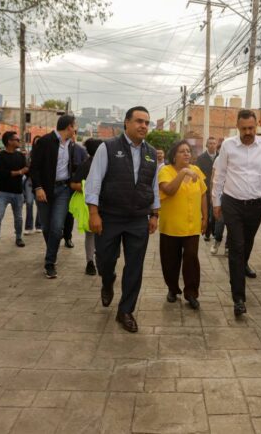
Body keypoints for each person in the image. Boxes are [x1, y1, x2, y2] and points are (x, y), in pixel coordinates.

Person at [86, 106, 159, 333]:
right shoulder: (107, 148)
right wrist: (94, 213)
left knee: (135, 267)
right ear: (126, 123)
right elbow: (94, 181)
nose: (143, 126)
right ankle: (108, 281)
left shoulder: (151, 153)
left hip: (138, 218)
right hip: (110, 216)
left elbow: (153, 185)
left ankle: (125, 310)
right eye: (138, 121)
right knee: (105, 260)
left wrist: (155, 213)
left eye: (146, 123)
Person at [212, 109, 261, 316]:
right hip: (233, 203)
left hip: (256, 205)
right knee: (237, 247)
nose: (248, 132)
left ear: (257, 126)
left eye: (251, 128)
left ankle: (242, 265)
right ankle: (238, 297)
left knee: (247, 243)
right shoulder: (229, 145)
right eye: (244, 128)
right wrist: (216, 201)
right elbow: (219, 175)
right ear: (237, 127)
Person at [158, 140, 207, 310]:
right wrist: (183, 172)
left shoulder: (197, 171)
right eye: (182, 151)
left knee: (192, 259)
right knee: (170, 259)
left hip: (192, 225)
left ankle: (191, 293)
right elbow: (169, 190)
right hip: (170, 225)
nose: (187, 154)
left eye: (188, 151)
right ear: (174, 155)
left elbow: (203, 195)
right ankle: (173, 288)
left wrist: (205, 218)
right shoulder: (166, 171)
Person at [29, 115, 77, 279]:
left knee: (57, 228)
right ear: (69, 127)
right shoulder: (45, 141)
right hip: (45, 190)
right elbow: (34, 167)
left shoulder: (71, 145)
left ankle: (50, 262)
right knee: (47, 228)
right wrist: (38, 187)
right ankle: (51, 250)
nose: (75, 130)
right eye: (74, 126)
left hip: (63, 190)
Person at [0, 131, 29, 255]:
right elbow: (3, 173)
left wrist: (17, 172)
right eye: (17, 139)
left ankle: (18, 238)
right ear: (9, 141)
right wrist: (19, 172)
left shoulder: (21, 156)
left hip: (18, 192)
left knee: (19, 218)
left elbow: (26, 169)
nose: (19, 141)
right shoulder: (0, 156)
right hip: (2, 192)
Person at [70, 138, 103, 275]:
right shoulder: (87, 165)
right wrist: (91, 188)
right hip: (93, 206)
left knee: (94, 235)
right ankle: (92, 262)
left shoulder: (94, 163)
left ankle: (94, 261)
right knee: (93, 234)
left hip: (97, 205)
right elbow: (73, 184)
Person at [196, 136, 218, 243]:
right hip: (205, 190)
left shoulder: (220, 157)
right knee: (206, 212)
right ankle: (207, 233)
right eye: (210, 143)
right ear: (206, 145)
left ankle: (214, 232)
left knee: (216, 211)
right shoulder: (201, 158)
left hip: (217, 189)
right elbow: (198, 175)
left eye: (214, 143)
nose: (212, 145)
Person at [23, 135, 42, 235]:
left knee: (40, 205)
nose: (37, 143)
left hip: (41, 183)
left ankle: (39, 225)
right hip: (30, 181)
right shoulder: (29, 155)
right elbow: (25, 167)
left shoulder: (45, 154)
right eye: (36, 141)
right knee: (29, 203)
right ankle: (28, 227)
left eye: (39, 141)